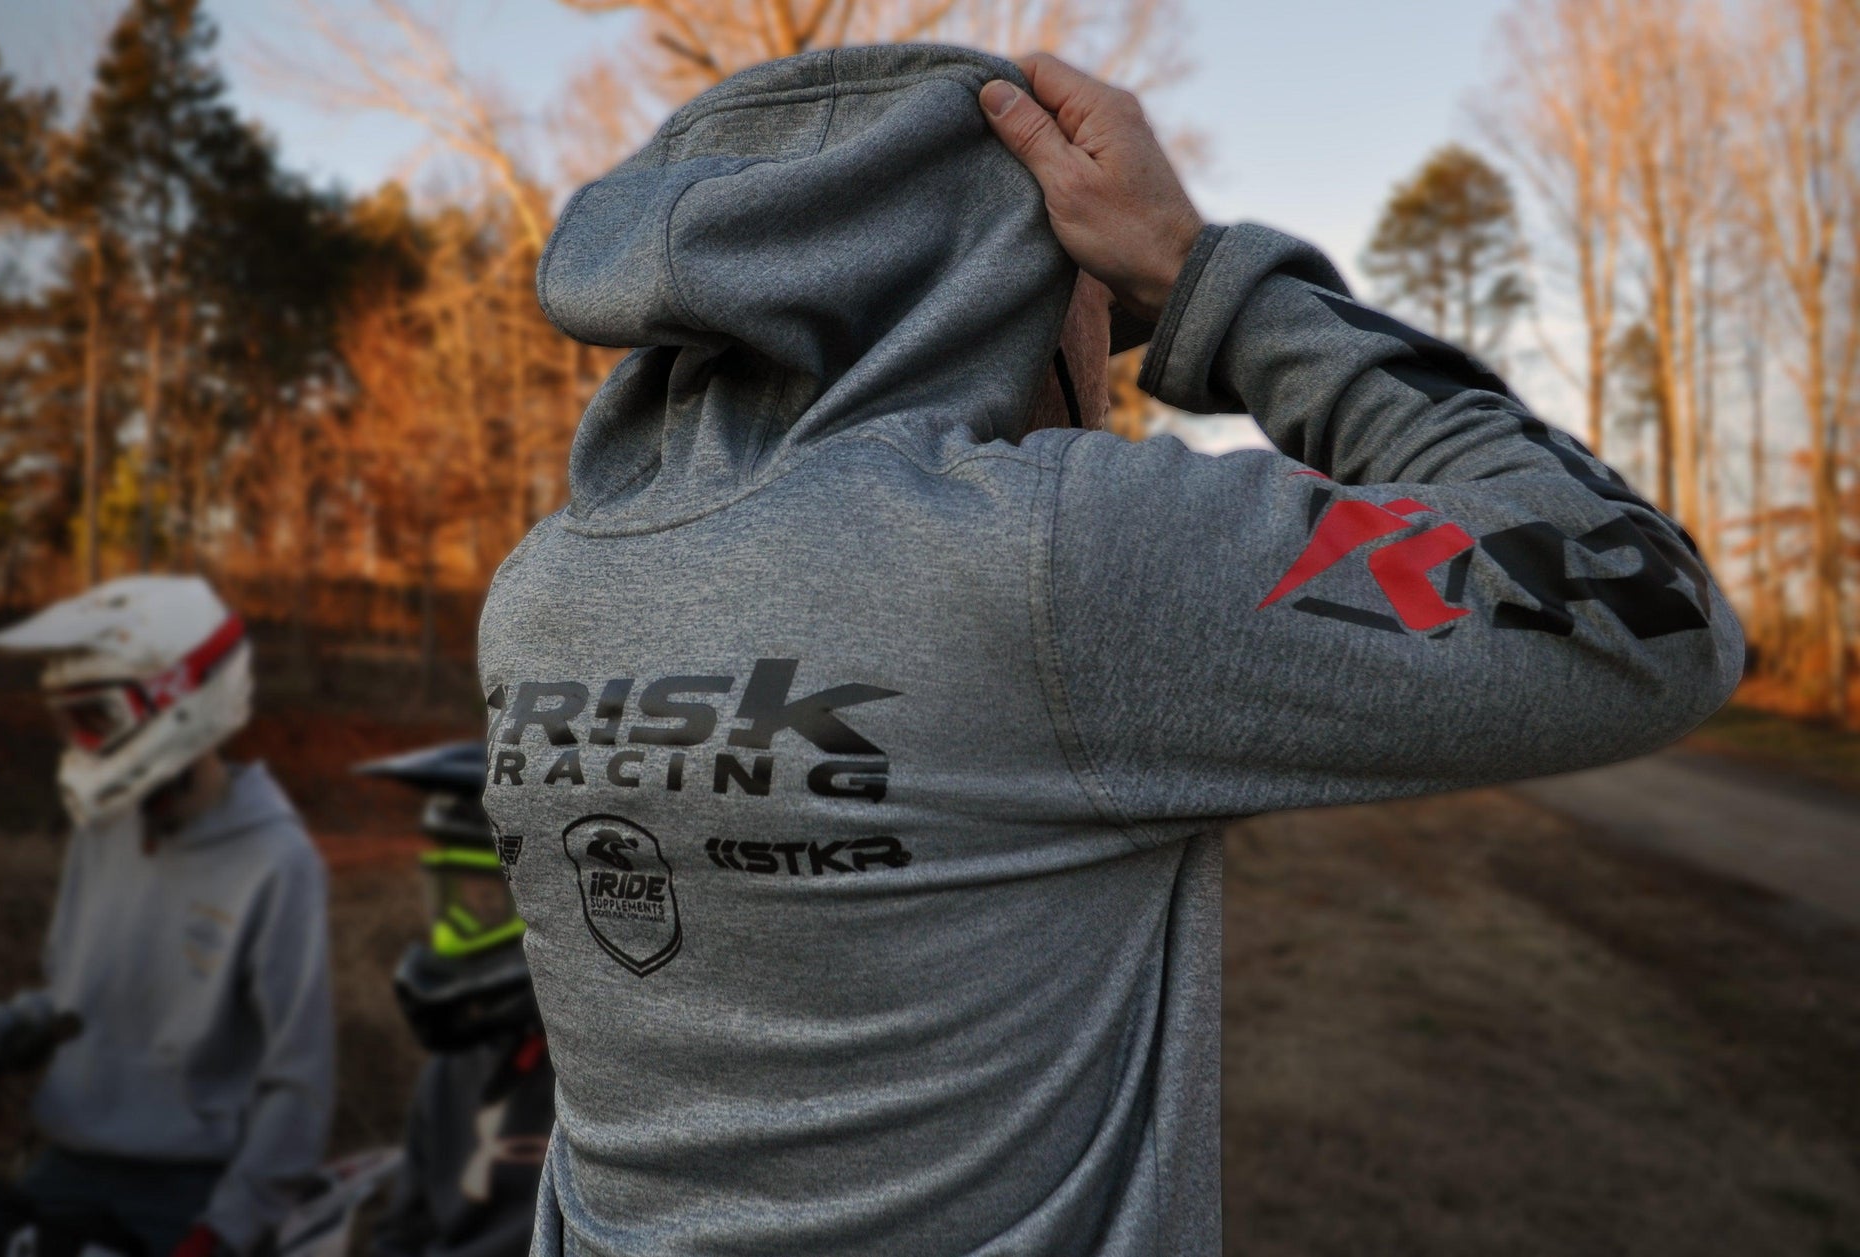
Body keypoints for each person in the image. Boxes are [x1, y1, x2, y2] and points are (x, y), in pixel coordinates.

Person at [476, 46, 1742, 1257]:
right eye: (1087, 298)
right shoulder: (1045, 553)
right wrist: (1204, 277)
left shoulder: (540, 587)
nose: (1112, 356)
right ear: (980, 293)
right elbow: (1650, 610)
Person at [0, 575, 335, 1257]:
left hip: (185, 1189)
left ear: (175, 700)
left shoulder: (276, 861)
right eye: (70, 726)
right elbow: (73, 995)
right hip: (68, 1163)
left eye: (94, 722)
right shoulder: (104, 829)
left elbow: (299, 1079)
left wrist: (225, 1229)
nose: (81, 746)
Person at [356, 742, 554, 1257]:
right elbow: (404, 1230)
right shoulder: (454, 1067)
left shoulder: (589, 1076)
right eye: (453, 901)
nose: (460, 924)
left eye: (485, 901)